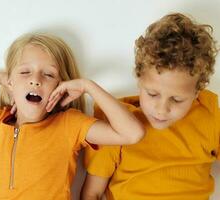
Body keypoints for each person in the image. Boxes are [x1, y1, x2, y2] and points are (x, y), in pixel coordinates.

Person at [0, 33, 144, 199]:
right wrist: (3, 78)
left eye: (49, 74)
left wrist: (87, 86)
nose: (35, 80)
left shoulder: (69, 125)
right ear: (11, 83)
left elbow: (132, 133)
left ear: (61, 86)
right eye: (25, 72)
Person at [82, 13, 219, 200]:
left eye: (177, 100)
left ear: (197, 92)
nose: (162, 109)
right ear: (139, 80)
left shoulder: (209, 116)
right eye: (152, 94)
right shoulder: (116, 124)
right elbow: (92, 192)